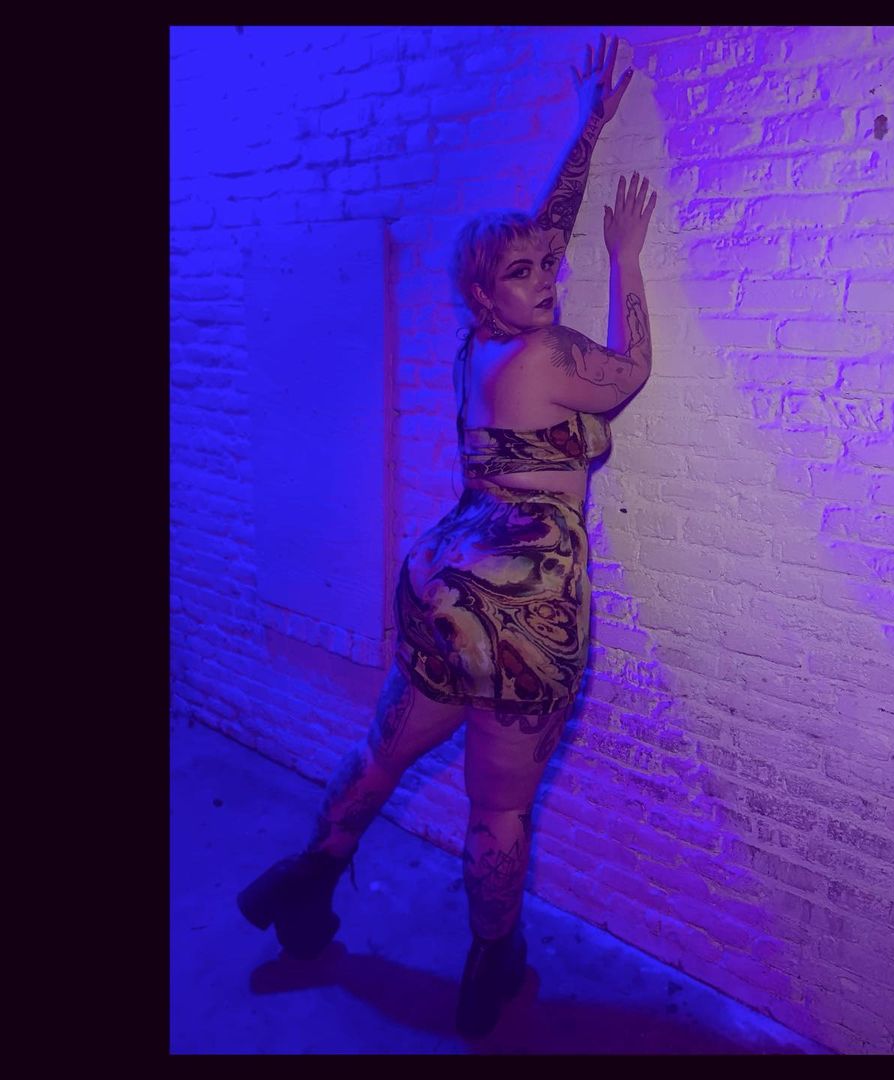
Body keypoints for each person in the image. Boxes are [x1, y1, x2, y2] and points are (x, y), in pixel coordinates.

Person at [236, 32, 657, 1039]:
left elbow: (531, 238)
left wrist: (587, 126)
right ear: (486, 292)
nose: (547, 278)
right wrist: (626, 262)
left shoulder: (481, 346)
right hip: (523, 609)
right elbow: (634, 370)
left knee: (382, 754)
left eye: (548, 267)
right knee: (496, 811)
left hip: (444, 582)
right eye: (526, 274)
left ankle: (309, 877)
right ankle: (490, 970)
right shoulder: (553, 356)